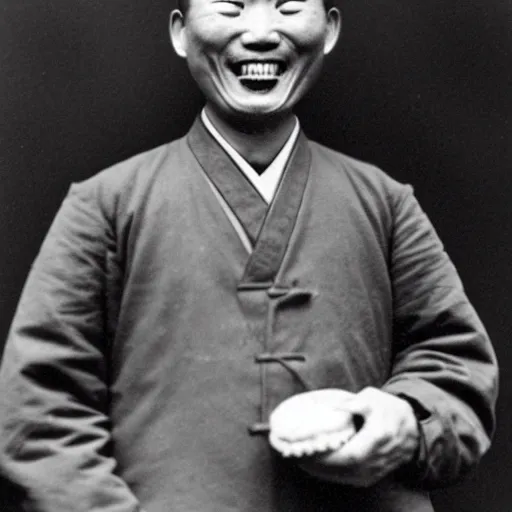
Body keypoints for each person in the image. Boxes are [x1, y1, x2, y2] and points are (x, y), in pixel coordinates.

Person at [0, 0, 498, 510]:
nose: (260, 32)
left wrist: (405, 422)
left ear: (328, 29)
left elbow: (456, 367)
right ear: (180, 32)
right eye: (230, 8)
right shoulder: (107, 205)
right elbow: (42, 413)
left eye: (287, 8)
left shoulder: (385, 203)